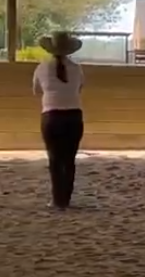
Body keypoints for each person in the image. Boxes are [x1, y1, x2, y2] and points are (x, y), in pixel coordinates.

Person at [33, 31, 84, 210]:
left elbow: (36, 90)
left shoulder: (42, 68)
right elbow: (79, 88)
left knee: (54, 158)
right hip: (73, 115)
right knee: (69, 159)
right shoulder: (77, 68)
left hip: (51, 115)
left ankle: (57, 199)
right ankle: (66, 198)